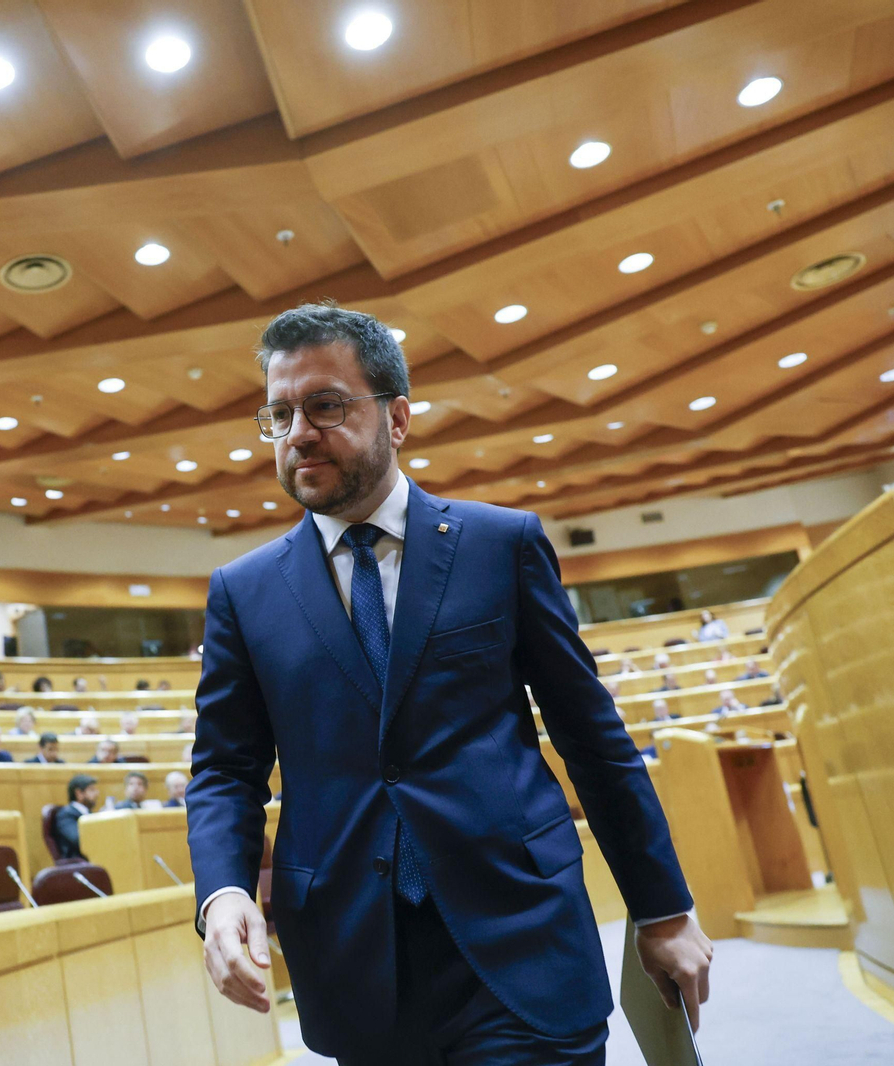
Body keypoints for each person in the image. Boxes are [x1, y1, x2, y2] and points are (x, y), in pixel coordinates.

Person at [188, 303, 707, 1063]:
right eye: (280, 414)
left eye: (325, 406)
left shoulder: (502, 545)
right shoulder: (243, 591)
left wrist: (662, 909)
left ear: (397, 418)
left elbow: (591, 738)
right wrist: (224, 890)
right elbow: (224, 770)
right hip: (355, 965)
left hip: (521, 937)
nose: (298, 433)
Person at [53, 774, 97, 860]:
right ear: (79, 793)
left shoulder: (89, 813)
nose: (97, 793)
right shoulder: (66, 815)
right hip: (76, 862)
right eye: (92, 790)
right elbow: (79, 840)